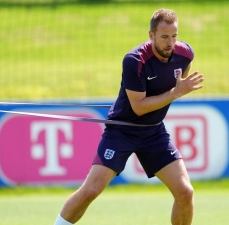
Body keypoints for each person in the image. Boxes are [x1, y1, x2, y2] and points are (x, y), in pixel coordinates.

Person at [54, 8, 204, 225]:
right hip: (122, 130)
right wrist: (176, 93)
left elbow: (178, 81)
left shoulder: (185, 54)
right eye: (164, 37)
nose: (170, 43)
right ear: (151, 35)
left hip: (153, 131)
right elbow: (139, 107)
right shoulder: (134, 60)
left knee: (185, 192)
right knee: (92, 190)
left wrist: (176, 90)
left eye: (174, 36)